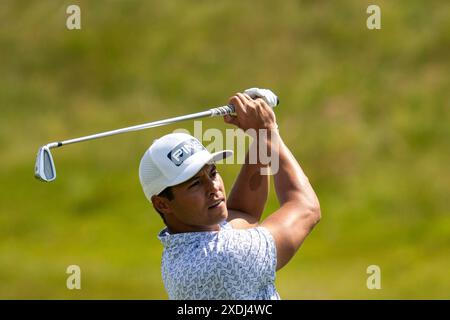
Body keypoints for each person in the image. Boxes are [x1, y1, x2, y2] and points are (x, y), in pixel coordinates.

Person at [139, 90, 321, 300]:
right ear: (162, 204)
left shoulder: (182, 246)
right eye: (195, 183)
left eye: (213, 173)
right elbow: (306, 208)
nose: (213, 187)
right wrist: (269, 131)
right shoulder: (223, 259)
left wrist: (259, 136)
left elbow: (244, 214)